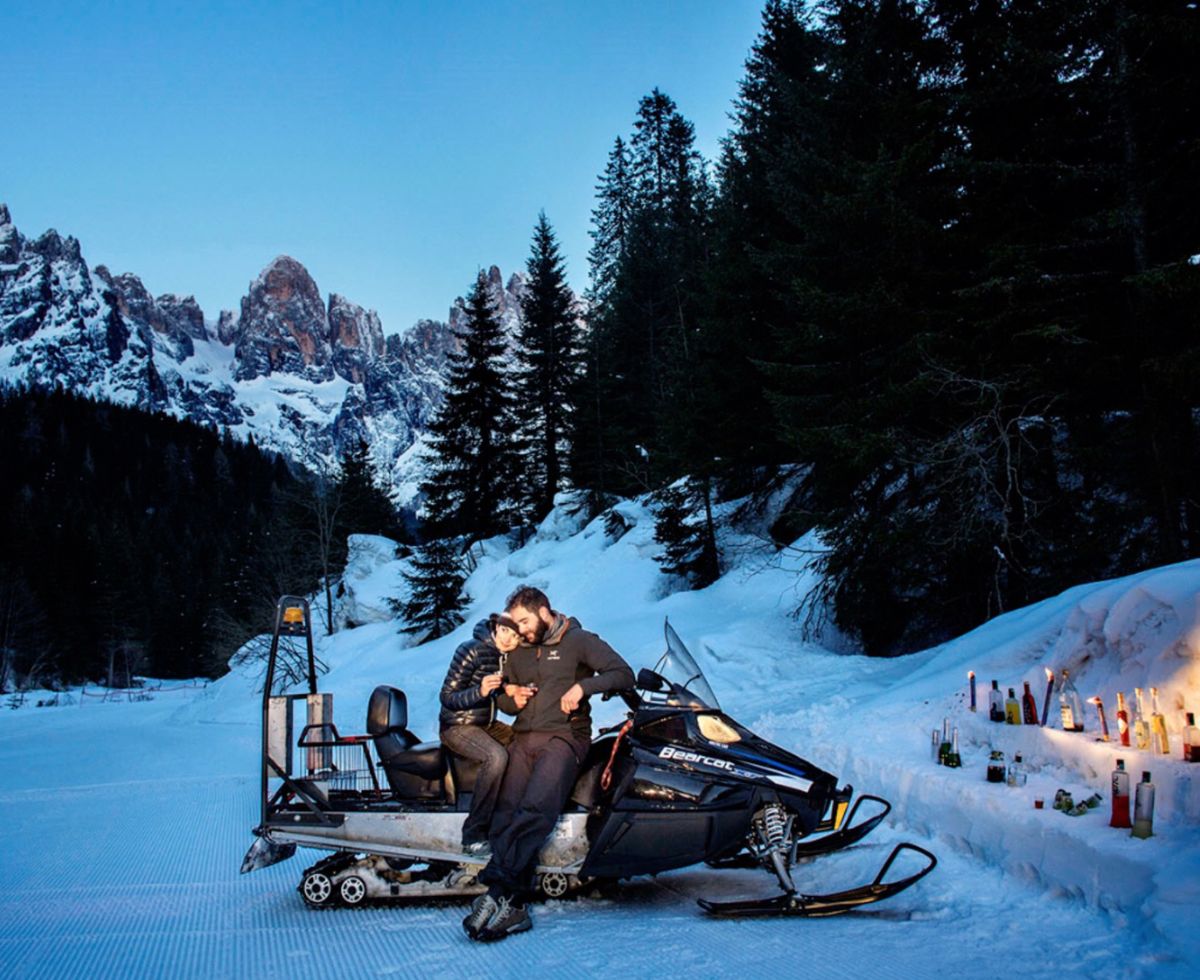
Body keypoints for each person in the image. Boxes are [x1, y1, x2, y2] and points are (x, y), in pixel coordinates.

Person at [463, 585, 635, 942]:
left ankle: (497, 891)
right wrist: (511, 696)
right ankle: (514, 905)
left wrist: (583, 687)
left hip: (565, 738)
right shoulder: (520, 650)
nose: (520, 629)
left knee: (535, 808)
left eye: (525, 621)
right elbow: (508, 705)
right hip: (524, 737)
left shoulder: (580, 640)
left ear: (544, 611)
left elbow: (623, 673)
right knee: (505, 810)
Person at [439, 614, 522, 855]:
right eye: (507, 631)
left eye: (516, 637)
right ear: (497, 627)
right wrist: (480, 691)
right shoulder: (470, 650)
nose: (510, 639)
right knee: (496, 757)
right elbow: (447, 697)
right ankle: (473, 834)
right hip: (456, 726)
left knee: (526, 743)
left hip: (486, 724)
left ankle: (508, 818)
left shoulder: (505, 657)